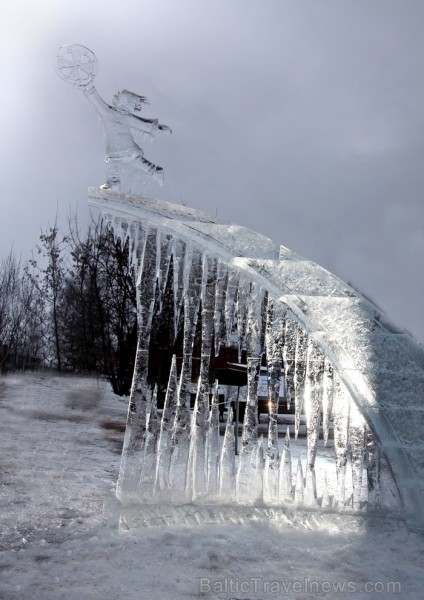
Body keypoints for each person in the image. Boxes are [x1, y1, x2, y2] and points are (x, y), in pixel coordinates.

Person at [83, 86, 171, 192]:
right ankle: (115, 183)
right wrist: (87, 87)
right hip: (115, 149)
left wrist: (160, 129)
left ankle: (115, 183)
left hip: (124, 147)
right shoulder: (108, 113)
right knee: (130, 162)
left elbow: (144, 125)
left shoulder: (125, 117)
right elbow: (97, 101)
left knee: (130, 161)